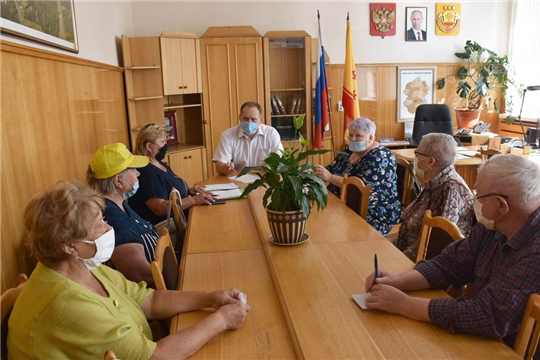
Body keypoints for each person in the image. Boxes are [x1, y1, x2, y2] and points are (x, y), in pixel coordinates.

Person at [8, 180, 250, 360]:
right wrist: (222, 320)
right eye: (98, 226)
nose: (107, 228)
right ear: (68, 245)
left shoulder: (81, 265)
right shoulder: (66, 304)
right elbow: (156, 357)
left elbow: (150, 300)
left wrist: (210, 298)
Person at [364, 154, 540, 354]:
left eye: (478, 196)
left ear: (501, 205)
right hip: (476, 339)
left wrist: (404, 304)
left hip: (504, 350)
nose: (473, 201)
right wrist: (397, 281)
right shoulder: (494, 224)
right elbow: (449, 265)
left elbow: (487, 315)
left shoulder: (535, 251)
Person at [390, 133, 474, 261]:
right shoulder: (436, 181)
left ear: (430, 161)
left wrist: (394, 258)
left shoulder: (449, 189)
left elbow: (433, 244)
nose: (415, 157)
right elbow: (409, 229)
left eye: (417, 153)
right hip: (405, 253)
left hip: (423, 265)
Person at [87, 142, 160, 287]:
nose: (138, 173)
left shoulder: (119, 204)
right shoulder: (112, 219)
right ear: (118, 181)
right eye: (133, 169)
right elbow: (142, 275)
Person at [314, 118, 402, 236]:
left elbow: (359, 189)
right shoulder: (351, 150)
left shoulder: (380, 157)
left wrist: (330, 177)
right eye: (351, 135)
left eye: (359, 136)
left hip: (373, 211)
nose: (353, 139)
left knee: (331, 229)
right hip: (342, 202)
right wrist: (314, 173)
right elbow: (329, 169)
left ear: (371, 138)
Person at [129, 123, 215, 225]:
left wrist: (189, 190)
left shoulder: (158, 163)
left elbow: (169, 187)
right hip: (167, 228)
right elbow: (160, 208)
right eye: (162, 142)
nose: (165, 145)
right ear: (149, 146)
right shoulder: (145, 171)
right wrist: (193, 200)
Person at [212, 101, 283, 175]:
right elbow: (219, 164)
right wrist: (225, 168)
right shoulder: (228, 135)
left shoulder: (271, 133)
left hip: (264, 178)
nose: (249, 123)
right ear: (240, 117)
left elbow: (279, 160)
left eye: (253, 119)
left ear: (260, 120)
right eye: (246, 119)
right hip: (237, 178)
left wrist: (269, 168)